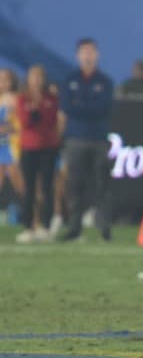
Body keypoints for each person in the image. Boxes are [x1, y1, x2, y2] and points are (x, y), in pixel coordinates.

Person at [59, 38, 113, 242]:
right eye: (84, 52)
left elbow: (103, 107)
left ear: (97, 55)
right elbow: (67, 107)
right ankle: (75, 228)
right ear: (77, 55)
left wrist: (80, 104)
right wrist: (86, 106)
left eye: (91, 51)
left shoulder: (105, 81)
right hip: (76, 139)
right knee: (74, 185)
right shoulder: (70, 80)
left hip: (99, 138)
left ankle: (104, 227)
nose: (88, 56)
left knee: (102, 185)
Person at [15, 66, 60, 243]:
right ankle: (28, 226)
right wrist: (35, 109)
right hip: (29, 147)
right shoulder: (22, 98)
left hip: (48, 147)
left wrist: (37, 108)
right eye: (34, 76)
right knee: (29, 188)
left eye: (40, 76)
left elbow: (51, 119)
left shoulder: (51, 98)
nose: (37, 80)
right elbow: (25, 121)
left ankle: (45, 226)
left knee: (47, 187)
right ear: (28, 78)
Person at [0, 69, 23, 224]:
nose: (3, 83)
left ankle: (33, 213)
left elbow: (21, 124)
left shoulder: (17, 99)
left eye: (6, 79)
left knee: (19, 183)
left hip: (12, 146)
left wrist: (7, 129)